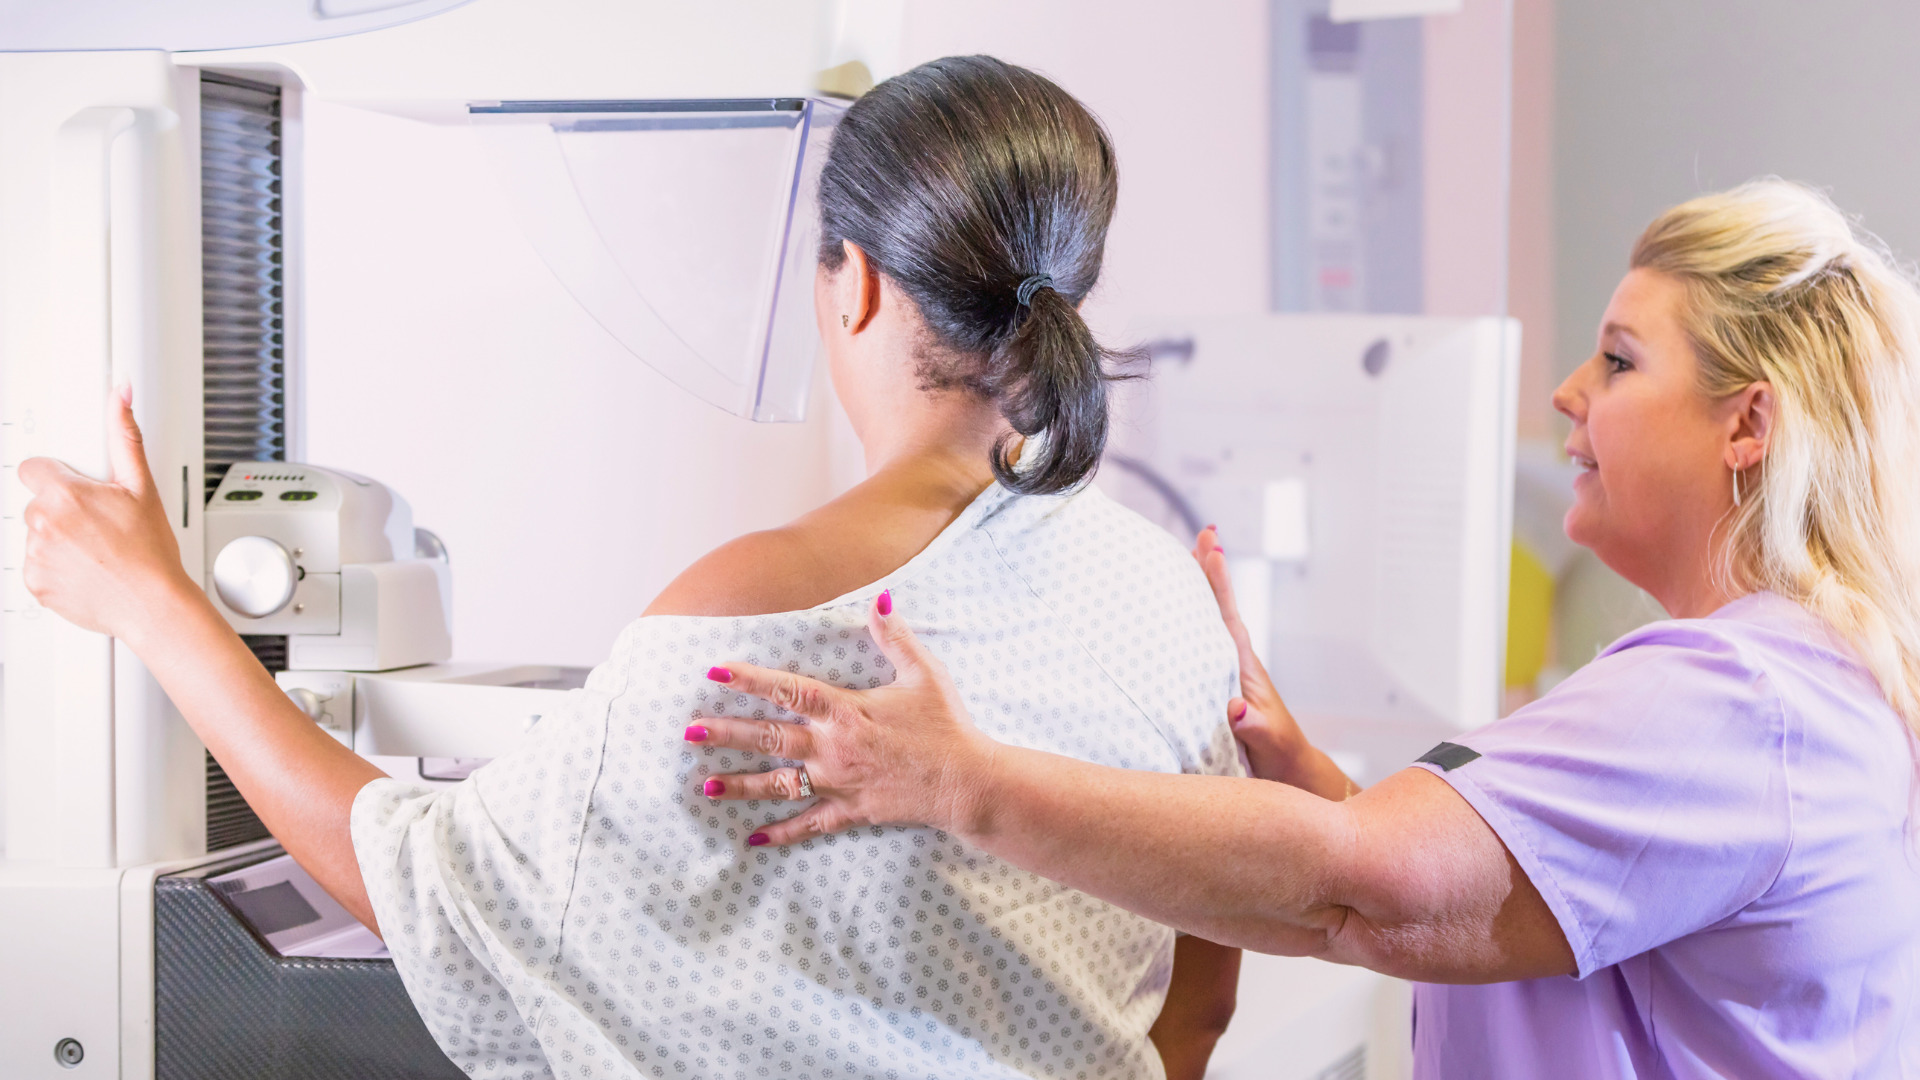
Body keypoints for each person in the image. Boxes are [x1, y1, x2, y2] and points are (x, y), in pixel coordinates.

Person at [19, 57, 1249, 1080]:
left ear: (856, 284)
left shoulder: (748, 612)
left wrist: (156, 605)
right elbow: (1197, 1002)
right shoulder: (1165, 599)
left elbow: (429, 889)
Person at [687, 179, 1920, 1078]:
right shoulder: (1793, 686)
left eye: (1618, 360)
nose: (1568, 393)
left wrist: (953, 782)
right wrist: (1315, 786)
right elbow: (1487, 904)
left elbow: (1368, 897)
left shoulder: (1737, 700)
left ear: (1747, 426)